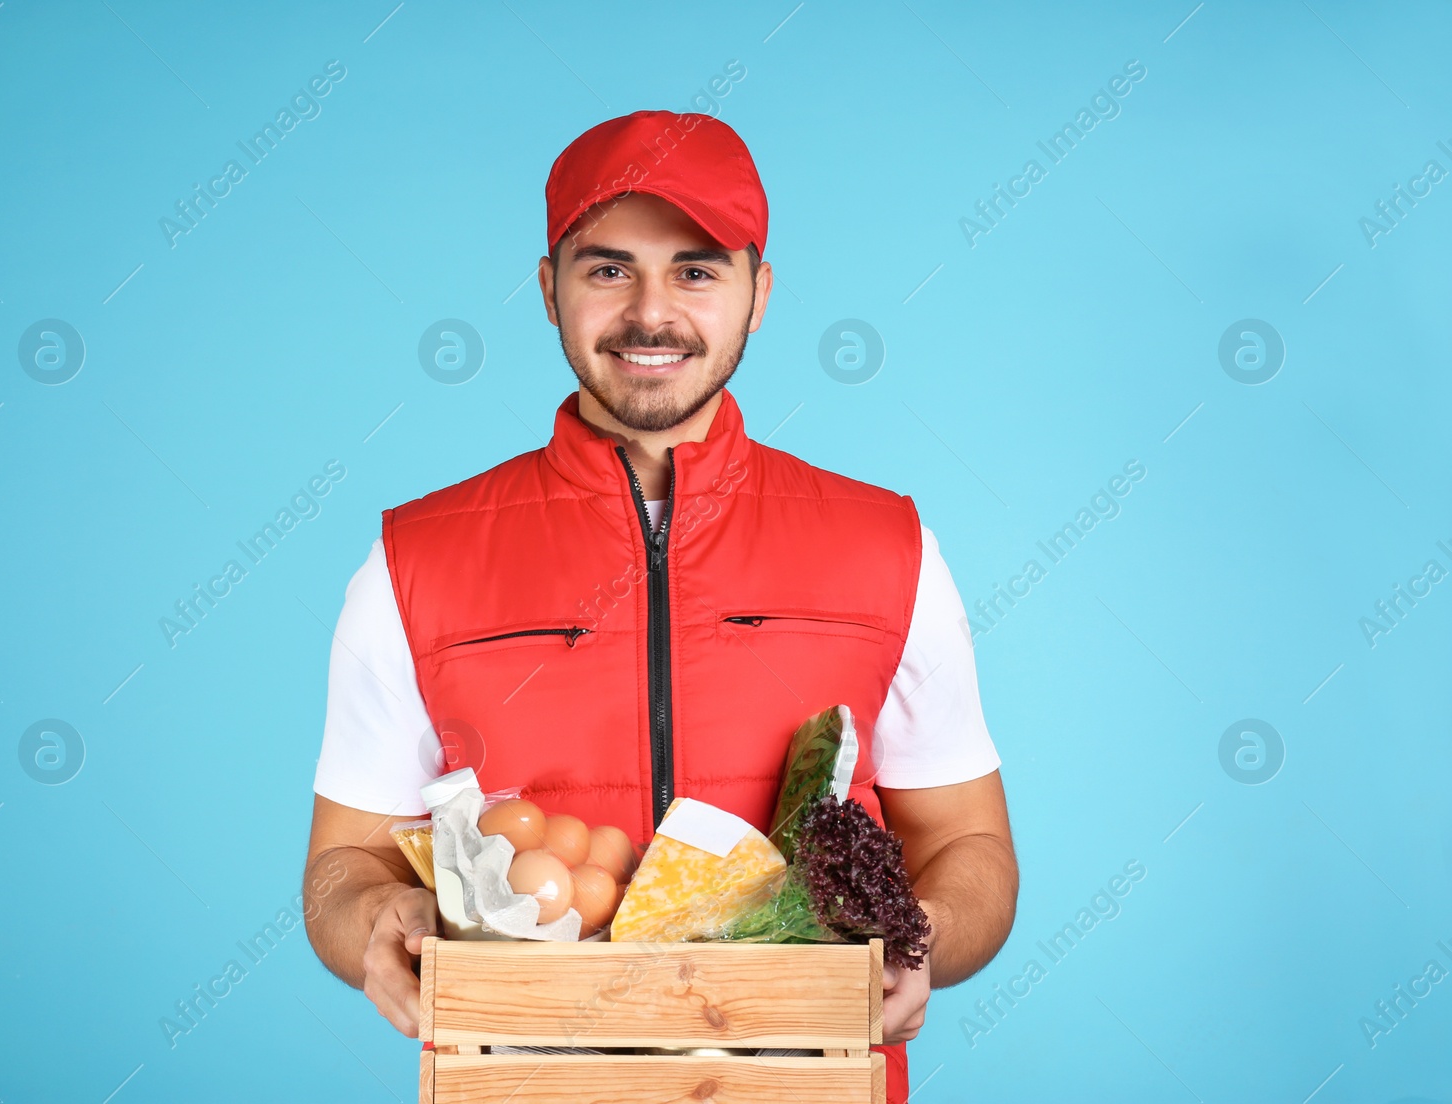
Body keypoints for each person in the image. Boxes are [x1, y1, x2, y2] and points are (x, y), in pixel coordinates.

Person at [302, 109, 1018, 1103]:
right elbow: (343, 865)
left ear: (758, 294)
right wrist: (373, 916)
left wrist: (915, 938)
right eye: (606, 270)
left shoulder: (886, 546)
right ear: (546, 288)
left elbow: (967, 844)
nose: (650, 313)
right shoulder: (412, 560)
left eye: (696, 270)